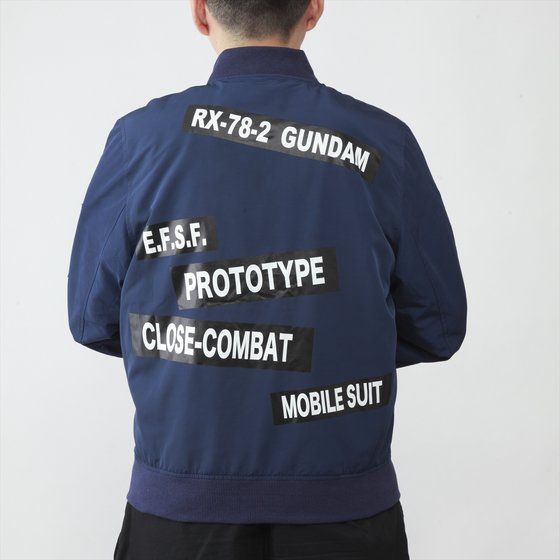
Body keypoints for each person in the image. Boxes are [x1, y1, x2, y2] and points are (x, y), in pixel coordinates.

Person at [67, 0, 467, 558]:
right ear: (314, 9)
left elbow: (92, 318)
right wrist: (332, 343)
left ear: (201, 12)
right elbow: (439, 326)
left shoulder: (140, 140)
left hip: (181, 517)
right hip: (345, 516)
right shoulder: (382, 143)